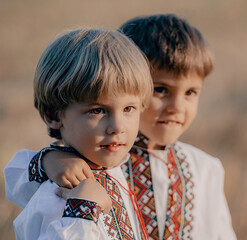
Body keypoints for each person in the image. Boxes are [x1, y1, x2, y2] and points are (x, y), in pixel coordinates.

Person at [4, 14, 237, 239]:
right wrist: (49, 161)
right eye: (161, 90)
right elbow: (16, 176)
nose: (176, 106)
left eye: (190, 92)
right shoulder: (98, 163)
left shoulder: (203, 167)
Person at [6, 28, 153, 240]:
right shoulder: (56, 194)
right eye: (98, 110)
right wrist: (82, 211)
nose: (117, 127)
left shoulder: (118, 170)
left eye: (129, 108)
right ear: (54, 115)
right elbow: (16, 177)